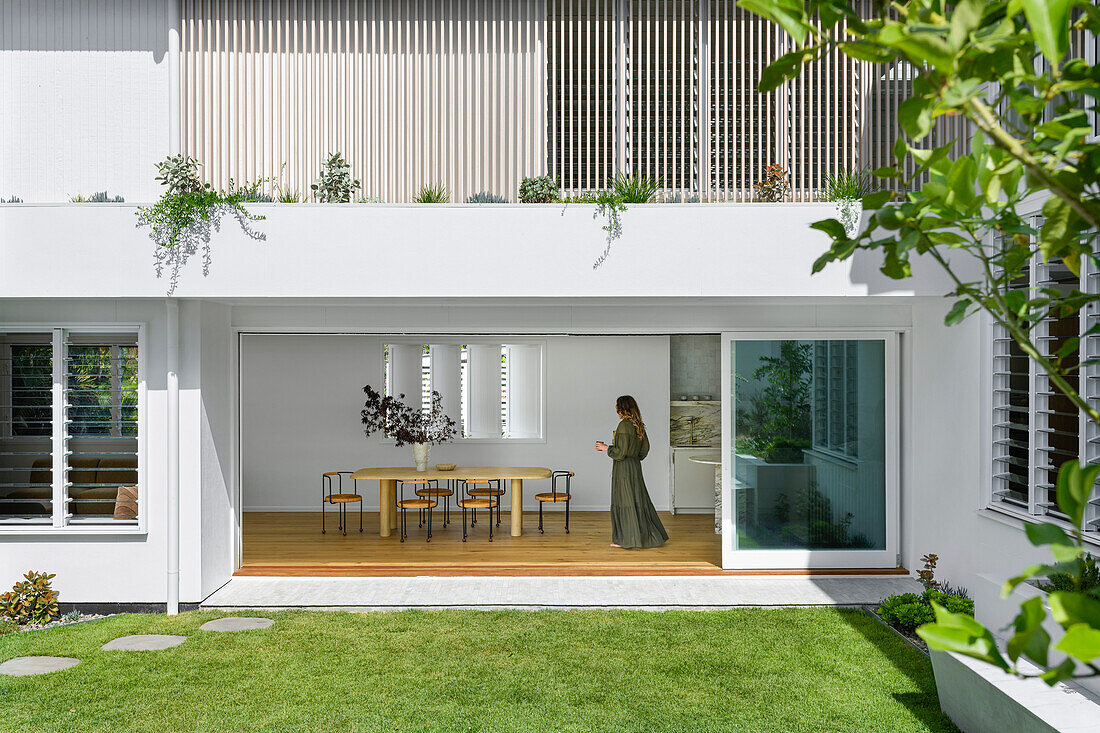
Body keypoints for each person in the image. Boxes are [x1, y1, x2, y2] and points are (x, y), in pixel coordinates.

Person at [595, 395, 669, 549]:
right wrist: (633, 457)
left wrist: (605, 448)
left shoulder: (624, 425)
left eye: (617, 407)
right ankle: (642, 537)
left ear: (621, 409)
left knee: (624, 501)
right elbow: (644, 450)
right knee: (637, 500)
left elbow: (620, 453)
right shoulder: (638, 425)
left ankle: (625, 539)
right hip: (635, 467)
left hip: (623, 469)